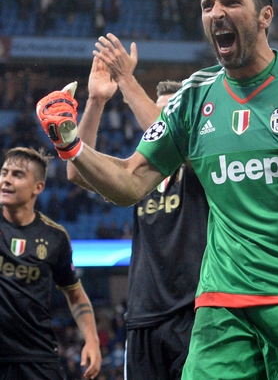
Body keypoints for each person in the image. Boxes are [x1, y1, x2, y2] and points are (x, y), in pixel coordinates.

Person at [37, 0, 278, 380]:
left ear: (265, 15)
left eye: (230, 2)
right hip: (222, 304)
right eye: (207, 5)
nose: (216, 13)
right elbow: (129, 182)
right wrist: (70, 145)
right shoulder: (194, 97)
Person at [65, 43, 209, 380]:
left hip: (198, 312)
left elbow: (173, 137)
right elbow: (76, 172)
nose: (160, 123)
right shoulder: (137, 176)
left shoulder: (205, 165)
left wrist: (128, 81)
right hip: (143, 315)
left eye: (170, 114)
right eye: (158, 113)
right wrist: (97, 100)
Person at [0, 147, 102, 380]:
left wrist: (92, 340)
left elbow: (75, 294)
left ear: (38, 187)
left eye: (17, 175)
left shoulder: (55, 237)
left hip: (37, 359)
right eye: (4, 172)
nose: (6, 179)